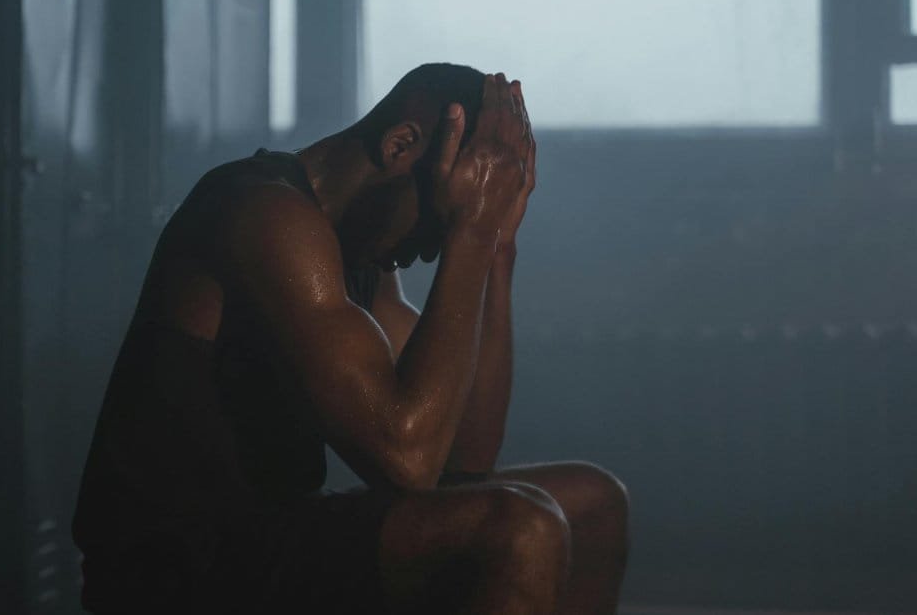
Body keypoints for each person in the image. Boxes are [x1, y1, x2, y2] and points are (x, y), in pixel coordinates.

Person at [72, 64, 628, 614]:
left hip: (267, 540)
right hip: (175, 573)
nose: (434, 248)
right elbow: (406, 459)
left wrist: (496, 245)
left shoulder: (363, 256)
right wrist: (472, 231)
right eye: (441, 215)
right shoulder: (262, 212)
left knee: (592, 504)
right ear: (400, 145)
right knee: (519, 528)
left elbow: (464, 457)